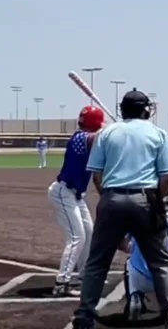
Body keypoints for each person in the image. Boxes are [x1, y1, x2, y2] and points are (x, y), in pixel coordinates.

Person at [72, 88, 168, 329]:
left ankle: (84, 317)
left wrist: (109, 198)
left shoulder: (106, 134)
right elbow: (166, 177)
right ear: (146, 109)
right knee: (161, 262)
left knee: (97, 263)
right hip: (145, 199)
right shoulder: (158, 134)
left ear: (122, 109)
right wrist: (154, 199)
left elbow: (97, 175)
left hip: (111, 198)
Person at [47, 106, 104, 297]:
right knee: (76, 237)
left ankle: (85, 276)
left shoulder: (88, 137)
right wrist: (115, 130)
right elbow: (96, 139)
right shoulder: (80, 138)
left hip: (75, 195)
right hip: (63, 192)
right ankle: (62, 283)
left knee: (89, 232)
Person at [120, 187, 168, 321]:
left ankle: (135, 296)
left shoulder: (135, 214)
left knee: (130, 263)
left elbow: (120, 243)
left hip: (141, 278)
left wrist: (135, 250)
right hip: (167, 279)